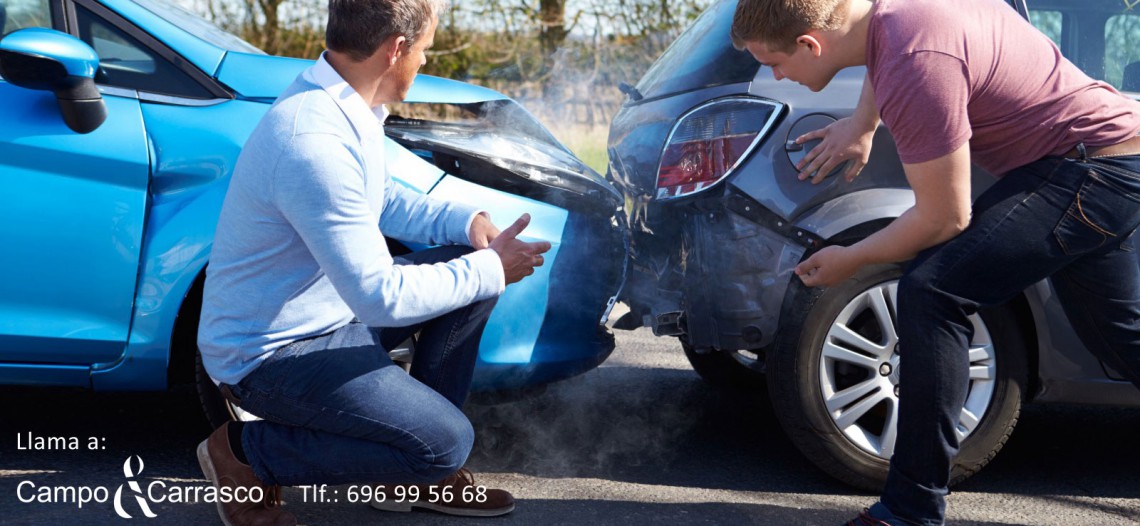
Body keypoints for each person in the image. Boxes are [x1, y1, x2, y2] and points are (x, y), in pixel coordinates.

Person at [731, 0, 1140, 525]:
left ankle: (910, 509)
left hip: (1090, 168)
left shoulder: (914, 57)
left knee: (932, 291)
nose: (775, 75)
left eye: (775, 63)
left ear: (811, 43)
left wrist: (850, 260)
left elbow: (945, 218)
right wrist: (862, 121)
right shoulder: (889, 18)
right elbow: (893, 51)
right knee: (1122, 337)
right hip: (1114, 156)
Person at [195, 0, 551, 524]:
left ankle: (407, 476)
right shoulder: (311, 140)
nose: (425, 62)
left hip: (330, 318)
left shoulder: (345, 105)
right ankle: (244, 454)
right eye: (425, 49)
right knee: (446, 443)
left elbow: (379, 200)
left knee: (470, 267)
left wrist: (467, 224)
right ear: (397, 49)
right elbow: (379, 297)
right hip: (271, 355)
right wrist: (495, 267)